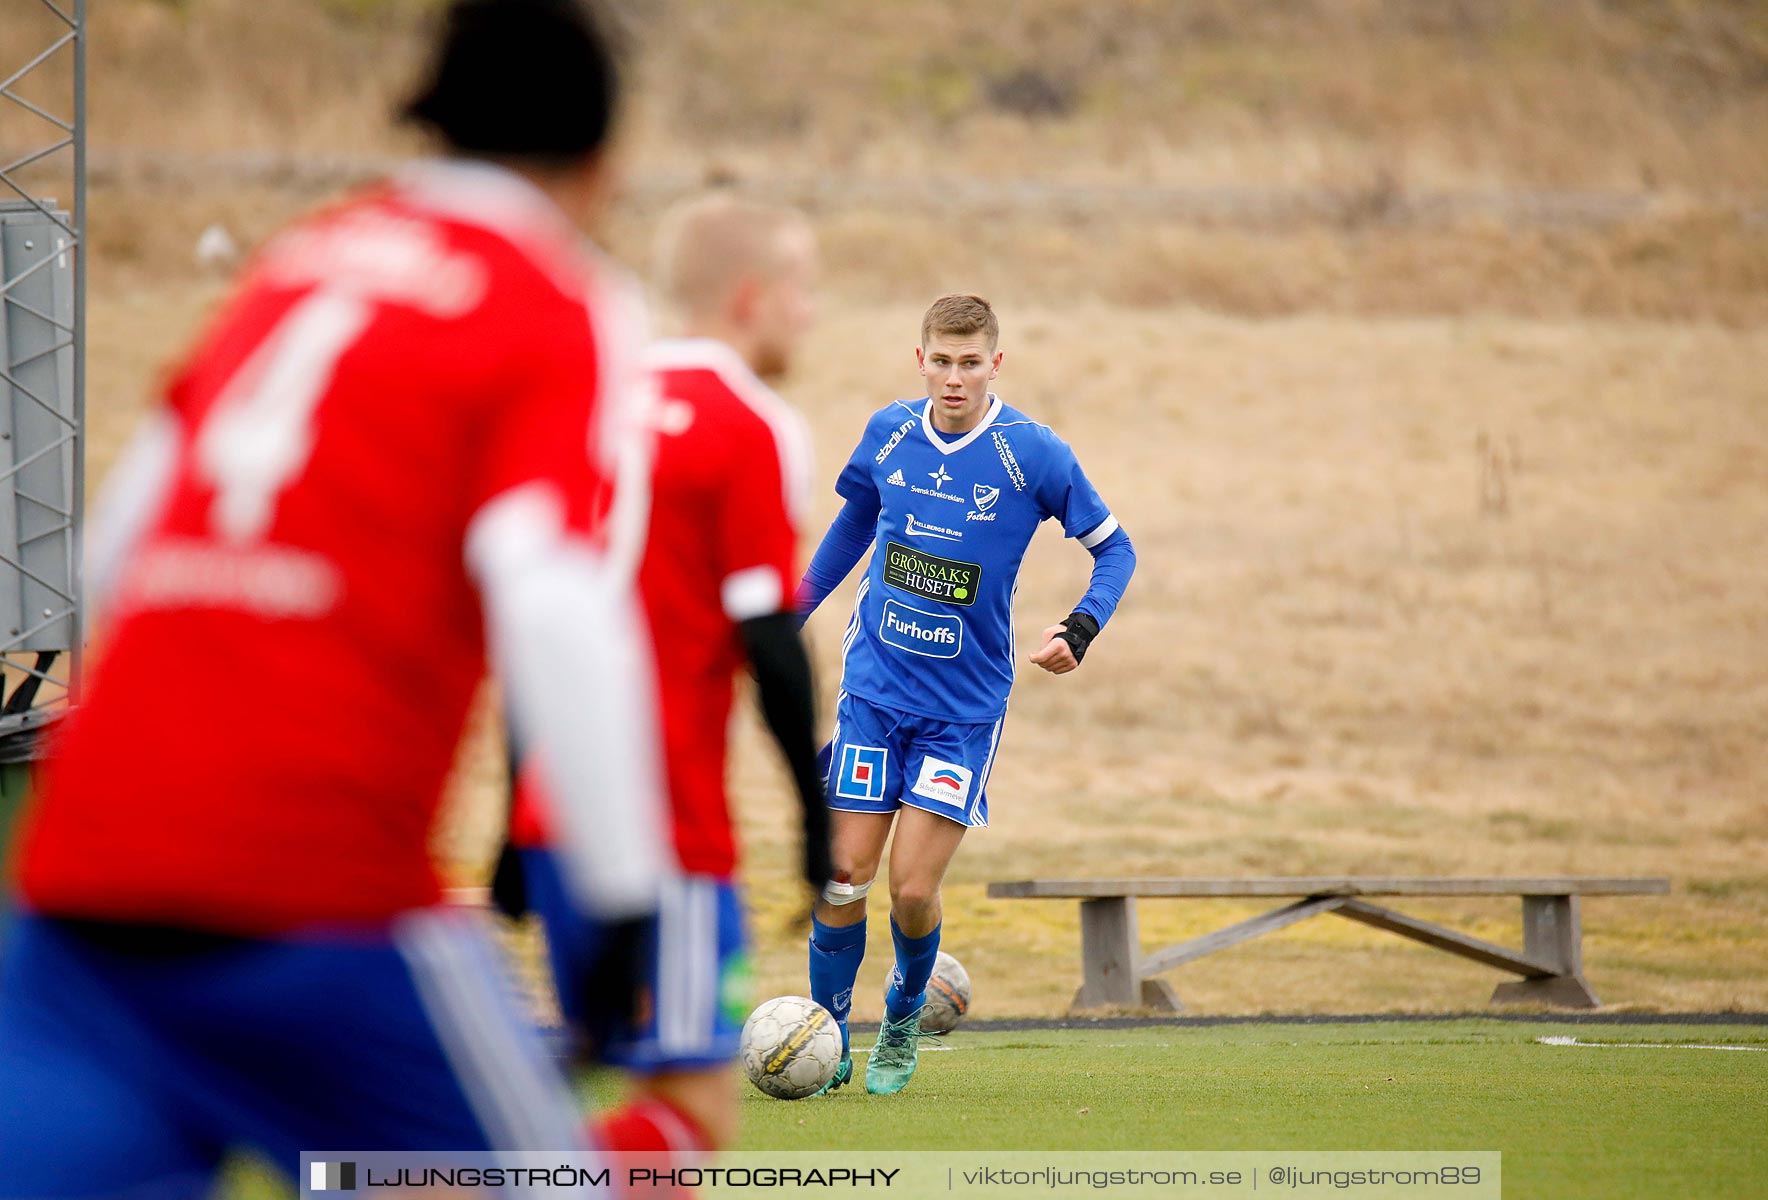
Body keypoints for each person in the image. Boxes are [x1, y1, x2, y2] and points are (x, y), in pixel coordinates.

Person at [0, 0, 665, 1188]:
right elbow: (557, 597)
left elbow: (111, 554)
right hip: (320, 901)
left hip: (82, 897)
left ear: (427, 122)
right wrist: (617, 907)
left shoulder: (295, 264)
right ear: (603, 164)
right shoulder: (558, 303)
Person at [502, 192, 830, 1158]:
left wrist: (507, 832)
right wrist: (812, 819)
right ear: (750, 295)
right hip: (664, 834)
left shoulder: (588, 406)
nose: (810, 312)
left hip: (552, 821)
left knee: (614, 1093)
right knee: (688, 1114)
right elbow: (770, 636)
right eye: (803, 288)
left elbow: (540, 623)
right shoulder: (750, 424)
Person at [802, 293, 1136, 1094]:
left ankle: (906, 1011)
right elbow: (856, 522)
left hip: (962, 714)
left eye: (971, 362)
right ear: (921, 361)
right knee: (843, 875)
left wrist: (1081, 628)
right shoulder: (889, 432)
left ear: (996, 363)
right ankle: (827, 1036)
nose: (955, 378)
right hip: (875, 692)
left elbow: (1115, 549)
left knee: (912, 889)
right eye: (941, 362)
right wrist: (795, 609)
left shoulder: (1035, 455)